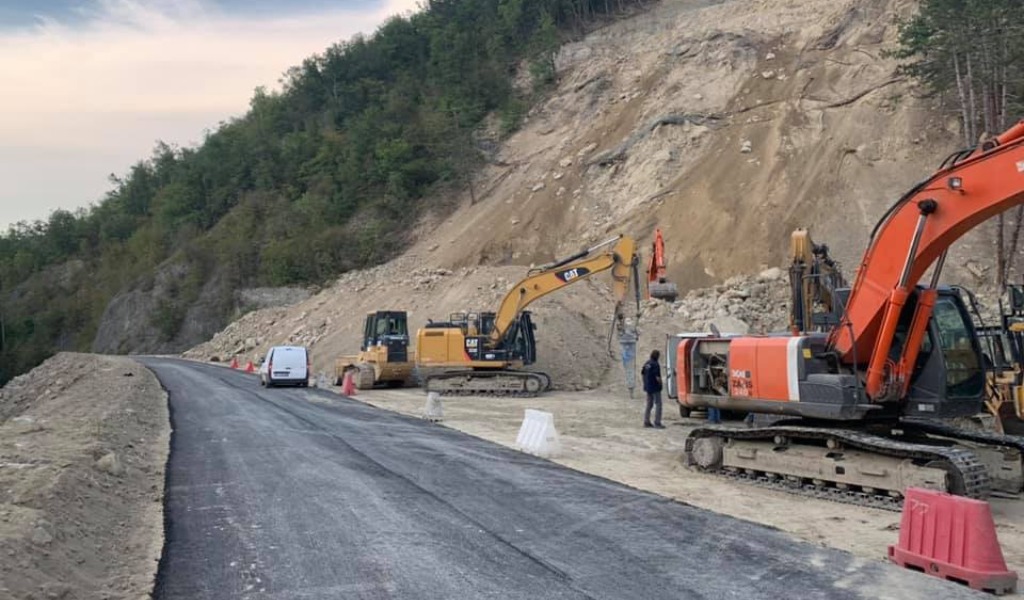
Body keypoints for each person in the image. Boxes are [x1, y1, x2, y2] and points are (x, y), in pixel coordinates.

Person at [641, 350, 664, 429]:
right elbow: (657, 377)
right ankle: (657, 422)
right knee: (658, 404)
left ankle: (646, 421)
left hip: (648, 387)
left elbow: (643, 373)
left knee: (649, 404)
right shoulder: (655, 364)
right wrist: (661, 384)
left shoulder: (647, 363)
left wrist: (645, 383)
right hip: (655, 387)